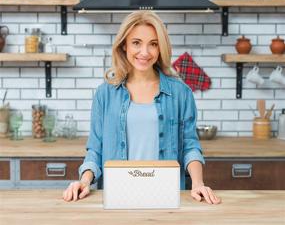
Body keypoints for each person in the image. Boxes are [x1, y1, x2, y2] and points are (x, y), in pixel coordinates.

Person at [63, 10, 221, 205]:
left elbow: (190, 146)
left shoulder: (181, 93)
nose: (145, 52)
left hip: (166, 195)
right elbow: (95, 149)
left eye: (153, 44)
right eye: (136, 43)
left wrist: (198, 184)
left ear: (161, 48)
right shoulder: (105, 94)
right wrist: (84, 181)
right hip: (117, 195)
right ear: (124, 46)